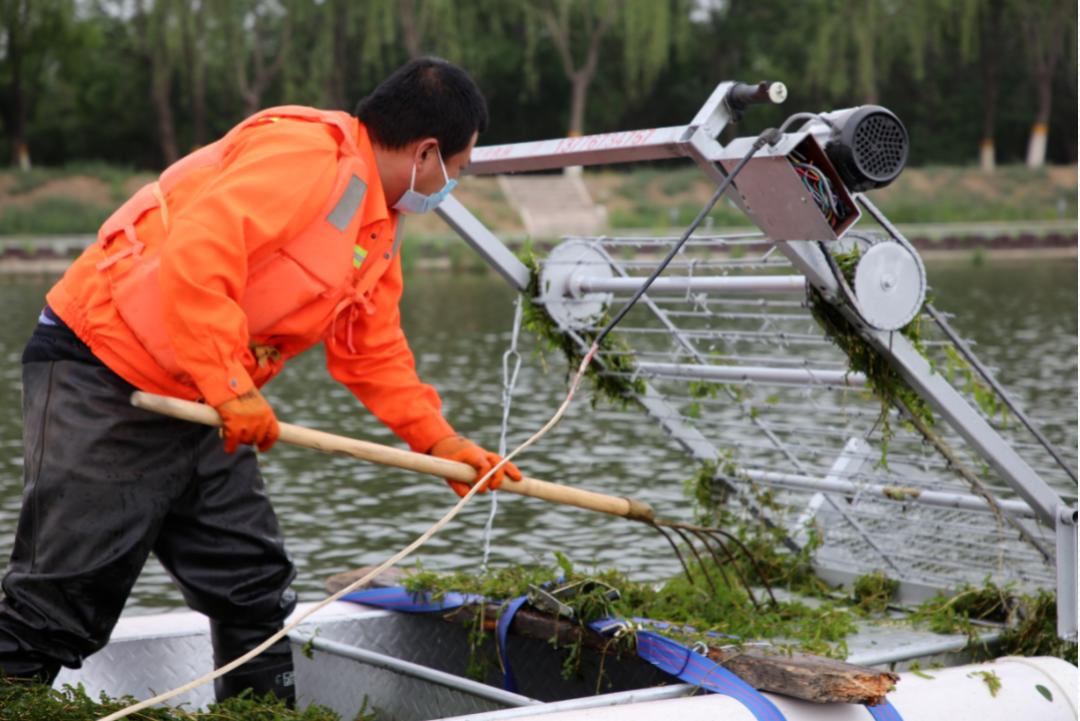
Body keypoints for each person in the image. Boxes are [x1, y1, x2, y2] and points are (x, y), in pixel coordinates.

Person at [0, 57, 520, 703]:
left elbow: (372, 348)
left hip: (205, 398)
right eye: (459, 171)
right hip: (108, 370)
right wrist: (230, 386)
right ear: (427, 152)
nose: (452, 186)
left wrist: (439, 442)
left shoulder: (379, 226)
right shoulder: (307, 157)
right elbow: (199, 251)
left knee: (253, 584)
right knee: (60, 599)